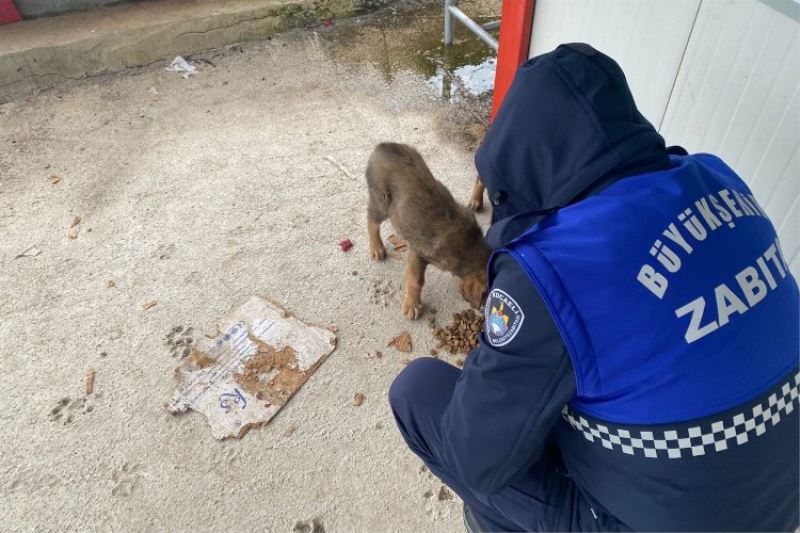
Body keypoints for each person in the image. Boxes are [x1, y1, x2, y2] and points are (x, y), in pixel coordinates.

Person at [389, 43, 800, 532]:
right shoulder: (719, 177)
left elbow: (478, 457)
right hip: (785, 498)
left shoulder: (552, 264)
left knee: (419, 394)